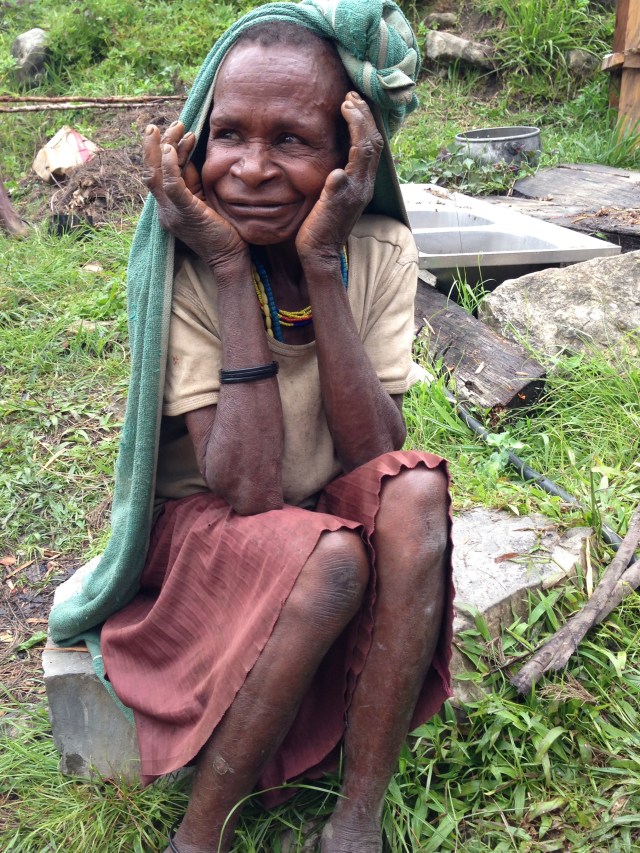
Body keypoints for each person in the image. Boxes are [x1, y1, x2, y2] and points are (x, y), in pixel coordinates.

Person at [49, 2, 454, 851]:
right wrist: (233, 269)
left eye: (294, 140)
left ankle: (356, 820)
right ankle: (199, 836)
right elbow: (246, 487)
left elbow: (374, 453)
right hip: (205, 528)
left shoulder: (377, 248)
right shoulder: (188, 262)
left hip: (315, 506)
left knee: (416, 491)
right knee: (332, 559)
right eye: (229, 134)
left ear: (350, 154)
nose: (253, 169)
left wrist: (322, 265)